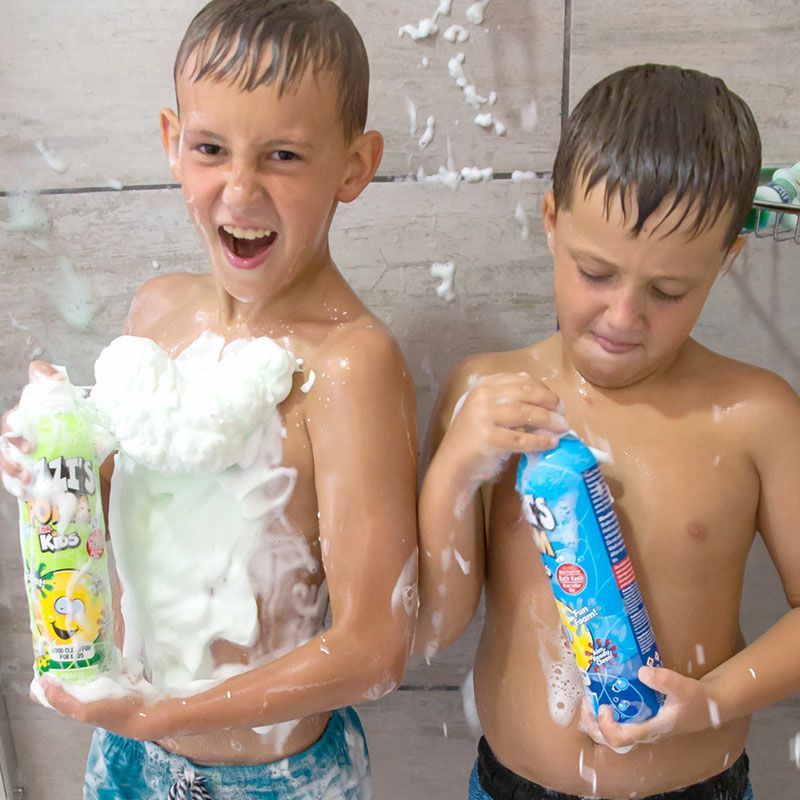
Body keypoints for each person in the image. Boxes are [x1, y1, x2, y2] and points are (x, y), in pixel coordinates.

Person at [1, 1, 417, 797]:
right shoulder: (158, 312)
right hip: (127, 757)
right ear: (172, 142)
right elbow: (134, 522)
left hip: (273, 777)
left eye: (283, 155)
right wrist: (56, 465)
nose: (240, 189)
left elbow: (375, 648)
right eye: (211, 149)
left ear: (354, 166)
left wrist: (167, 714)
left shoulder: (350, 365)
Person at [416, 63, 800, 800]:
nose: (623, 317)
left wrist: (712, 700)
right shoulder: (484, 395)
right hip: (512, 785)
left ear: (728, 258)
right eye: (595, 272)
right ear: (551, 220)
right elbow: (434, 626)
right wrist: (454, 470)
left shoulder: (758, 416)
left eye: (668, 290)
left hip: (698, 786)